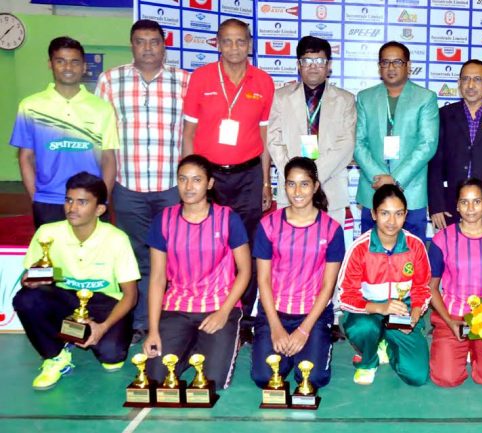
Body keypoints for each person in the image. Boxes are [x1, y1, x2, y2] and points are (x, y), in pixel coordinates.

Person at [96, 19, 190, 342]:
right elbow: (102, 140)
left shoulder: (184, 82)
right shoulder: (110, 81)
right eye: (140, 41)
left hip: (172, 189)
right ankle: (139, 323)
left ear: (165, 45)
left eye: (154, 41)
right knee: (134, 259)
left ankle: (169, 319)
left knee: (173, 259)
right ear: (131, 45)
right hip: (128, 187)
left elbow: (192, 134)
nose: (148, 48)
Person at [181, 18, 275, 339]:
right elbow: (188, 133)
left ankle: (244, 315)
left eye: (240, 41)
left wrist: (265, 182)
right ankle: (206, 305)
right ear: (217, 44)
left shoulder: (263, 81)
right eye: (227, 41)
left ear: (250, 44)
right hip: (210, 177)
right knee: (208, 243)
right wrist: (190, 179)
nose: (234, 47)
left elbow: (265, 141)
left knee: (245, 244)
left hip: (248, 175)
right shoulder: (201, 78)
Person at [13, 172, 138, 390]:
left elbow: (130, 295)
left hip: (104, 304)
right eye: (69, 200)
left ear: (99, 209)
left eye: (82, 202)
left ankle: (76, 335)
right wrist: (30, 281)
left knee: (112, 358)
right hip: (66, 300)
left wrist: (103, 327)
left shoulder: (117, 239)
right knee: (27, 299)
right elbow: (31, 277)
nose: (72, 208)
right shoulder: (47, 232)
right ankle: (55, 356)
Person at [142, 155, 251, 389]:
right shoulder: (163, 219)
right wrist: (152, 331)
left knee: (212, 381)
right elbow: (158, 278)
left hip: (219, 305)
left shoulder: (227, 218)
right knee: (156, 378)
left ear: (209, 183)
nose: (189, 187)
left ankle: (220, 340)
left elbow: (245, 271)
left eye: (196, 180)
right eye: (183, 179)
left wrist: (223, 313)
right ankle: (192, 343)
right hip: (177, 308)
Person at [250, 157, 345, 390]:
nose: (297, 191)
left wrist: (303, 331)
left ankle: (311, 345)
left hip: (312, 315)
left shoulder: (332, 229)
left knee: (312, 379)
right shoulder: (268, 225)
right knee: (265, 377)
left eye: (304, 184)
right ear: (284, 187)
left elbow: (327, 287)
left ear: (315, 186)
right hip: (275, 312)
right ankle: (287, 351)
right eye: (291, 184)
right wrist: (275, 327)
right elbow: (263, 280)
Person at [10, 36, 118, 228]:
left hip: (90, 201)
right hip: (48, 202)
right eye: (60, 61)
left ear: (84, 67)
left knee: (92, 257)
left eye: (74, 62)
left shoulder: (102, 108)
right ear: (50, 64)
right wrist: (36, 195)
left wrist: (102, 199)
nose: (68, 67)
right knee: (52, 257)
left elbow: (109, 158)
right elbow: (25, 157)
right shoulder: (30, 106)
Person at [336, 184, 432, 386]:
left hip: (401, 316)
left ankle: (388, 343)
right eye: (385, 213)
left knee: (417, 376)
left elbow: (422, 289)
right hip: (368, 313)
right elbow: (345, 297)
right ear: (373, 214)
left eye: (398, 214)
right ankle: (369, 360)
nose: (391, 221)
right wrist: (380, 307)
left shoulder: (415, 246)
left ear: (405, 215)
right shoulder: (359, 249)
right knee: (363, 329)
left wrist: (414, 315)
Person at [428, 178, 482, 387]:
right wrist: (449, 321)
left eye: (476, 201)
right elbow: (431, 287)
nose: (470, 208)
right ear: (457, 205)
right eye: (464, 202)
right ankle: (460, 347)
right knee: (446, 379)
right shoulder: (441, 239)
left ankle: (476, 350)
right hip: (452, 316)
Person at [354, 41, 439, 241]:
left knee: (410, 258)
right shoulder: (365, 98)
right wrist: (380, 178)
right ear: (379, 67)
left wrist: (395, 179)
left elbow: (427, 144)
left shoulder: (425, 98)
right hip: (373, 191)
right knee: (371, 257)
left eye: (397, 62)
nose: (391, 68)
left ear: (408, 66)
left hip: (410, 192)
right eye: (385, 62)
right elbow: (358, 142)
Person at [267, 36, 356, 224]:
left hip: (330, 188)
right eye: (307, 60)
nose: (313, 66)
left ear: (329, 65)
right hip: (292, 191)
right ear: (299, 65)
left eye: (319, 61)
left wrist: (311, 177)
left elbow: (347, 144)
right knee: (291, 249)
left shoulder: (345, 100)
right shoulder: (281, 97)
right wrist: (296, 177)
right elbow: (274, 140)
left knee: (330, 249)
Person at [428, 60, 482, 231]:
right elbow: (435, 164)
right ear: (459, 83)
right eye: (466, 79)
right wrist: (436, 206)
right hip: (449, 206)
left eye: (477, 79)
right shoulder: (443, 116)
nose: (470, 84)